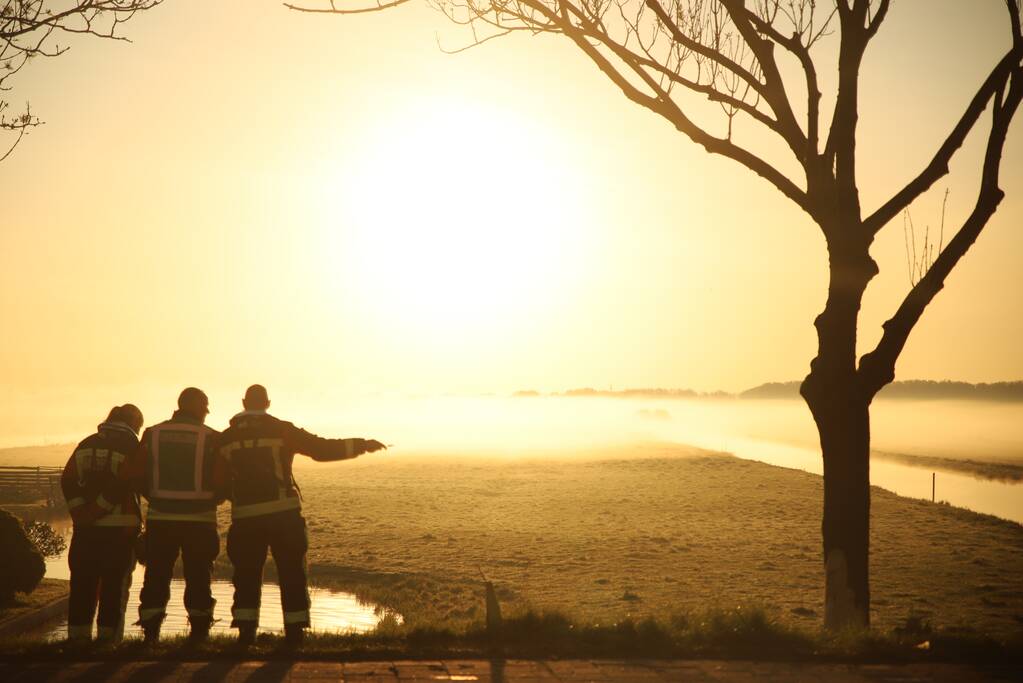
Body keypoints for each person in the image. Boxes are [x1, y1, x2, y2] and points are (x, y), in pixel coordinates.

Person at [219, 384, 386, 645]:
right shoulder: (283, 429)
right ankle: (295, 634)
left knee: (247, 575)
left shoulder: (226, 438)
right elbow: (321, 449)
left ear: (243, 402)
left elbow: (217, 479)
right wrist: (360, 445)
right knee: (292, 573)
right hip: (284, 515)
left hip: (246, 518)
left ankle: (245, 633)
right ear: (268, 403)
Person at [117, 387, 226, 642]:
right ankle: (199, 632)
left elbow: (136, 475)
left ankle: (150, 632)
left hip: (161, 518)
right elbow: (222, 480)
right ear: (199, 407)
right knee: (199, 576)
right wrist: (214, 499)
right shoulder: (212, 438)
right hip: (201, 520)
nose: (207, 413)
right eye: (206, 407)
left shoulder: (152, 434)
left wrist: (153, 496)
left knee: (156, 575)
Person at [60, 404, 144, 642]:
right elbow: (127, 483)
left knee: (82, 584)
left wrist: (80, 512)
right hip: (120, 532)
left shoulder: (86, 444)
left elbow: (68, 480)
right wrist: (100, 508)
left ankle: (77, 639)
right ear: (134, 424)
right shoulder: (132, 447)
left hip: (85, 529)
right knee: (114, 587)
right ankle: (108, 641)